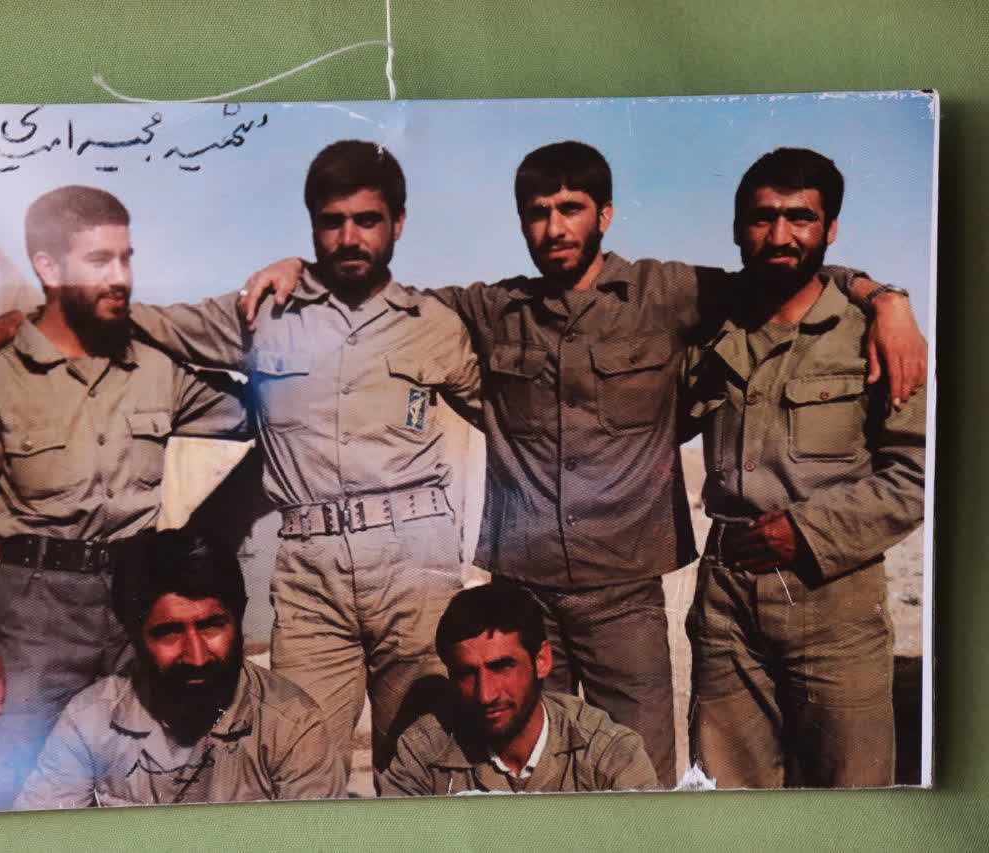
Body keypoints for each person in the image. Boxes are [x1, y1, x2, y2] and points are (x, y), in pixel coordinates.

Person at [239, 141, 927, 788]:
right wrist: (303, 269)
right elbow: (384, 295)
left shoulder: (666, 293)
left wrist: (884, 297)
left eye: (571, 208)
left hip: (623, 595)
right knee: (524, 775)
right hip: (523, 595)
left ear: (605, 214)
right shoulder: (494, 309)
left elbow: (780, 270)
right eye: (537, 212)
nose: (554, 227)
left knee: (641, 771)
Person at [0, 141, 483, 783]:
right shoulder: (261, 314)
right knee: (293, 751)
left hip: (409, 562)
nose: (348, 238)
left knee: (426, 752)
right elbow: (142, 319)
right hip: (300, 577)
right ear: (311, 225)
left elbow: (510, 423)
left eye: (366, 221)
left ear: (398, 223)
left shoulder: (436, 323)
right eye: (331, 222)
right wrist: (32, 318)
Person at [0, 185, 248, 811]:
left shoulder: (156, 365)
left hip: (137, 599)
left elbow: (258, 406)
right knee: (10, 783)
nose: (121, 276)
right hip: (36, 611)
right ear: (48, 269)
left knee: (148, 769)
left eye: (126, 258)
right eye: (100, 260)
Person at [681, 148, 926, 788]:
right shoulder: (713, 326)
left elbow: (920, 473)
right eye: (763, 218)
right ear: (738, 228)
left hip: (834, 599)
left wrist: (808, 532)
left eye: (801, 218)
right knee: (728, 799)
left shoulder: (871, 335)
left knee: (849, 796)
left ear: (831, 228)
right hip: (726, 598)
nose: (781, 236)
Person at [14, 529, 346, 808]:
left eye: (211, 626)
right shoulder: (90, 719)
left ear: (239, 616)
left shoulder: (291, 724)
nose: (197, 657)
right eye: (169, 632)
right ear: (134, 634)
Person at [379, 583, 658, 795]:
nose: (486, 694)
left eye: (502, 667)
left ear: (542, 660)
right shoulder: (423, 753)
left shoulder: (607, 753)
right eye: (467, 674)